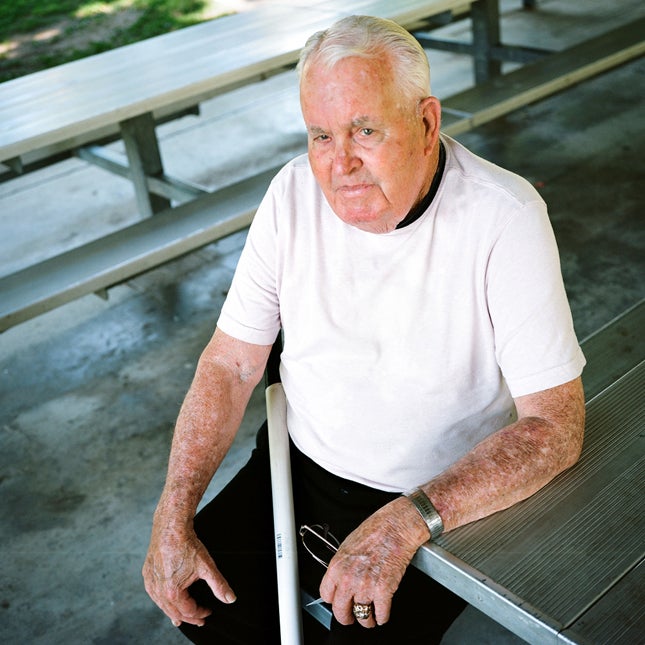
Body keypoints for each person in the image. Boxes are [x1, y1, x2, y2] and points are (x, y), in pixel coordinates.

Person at [143, 14, 586, 644]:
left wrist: (407, 523)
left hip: (434, 498)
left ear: (427, 122)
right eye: (320, 135)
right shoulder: (292, 194)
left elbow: (555, 428)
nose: (340, 163)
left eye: (365, 130)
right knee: (198, 598)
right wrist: (172, 511)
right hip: (298, 464)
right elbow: (231, 363)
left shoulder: (504, 217)